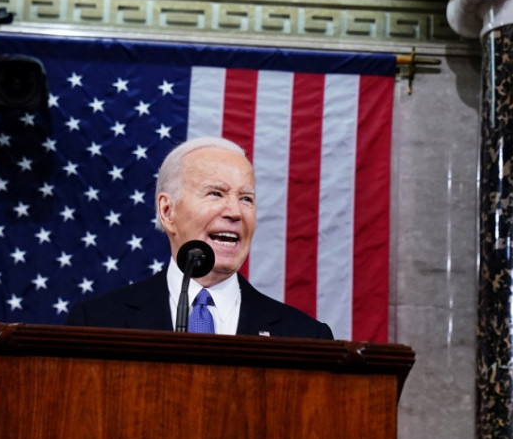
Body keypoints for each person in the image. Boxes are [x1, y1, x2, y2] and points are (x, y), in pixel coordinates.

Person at [65, 136, 333, 339]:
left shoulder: (304, 336)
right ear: (167, 211)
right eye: (216, 193)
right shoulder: (97, 324)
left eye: (246, 198)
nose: (235, 212)